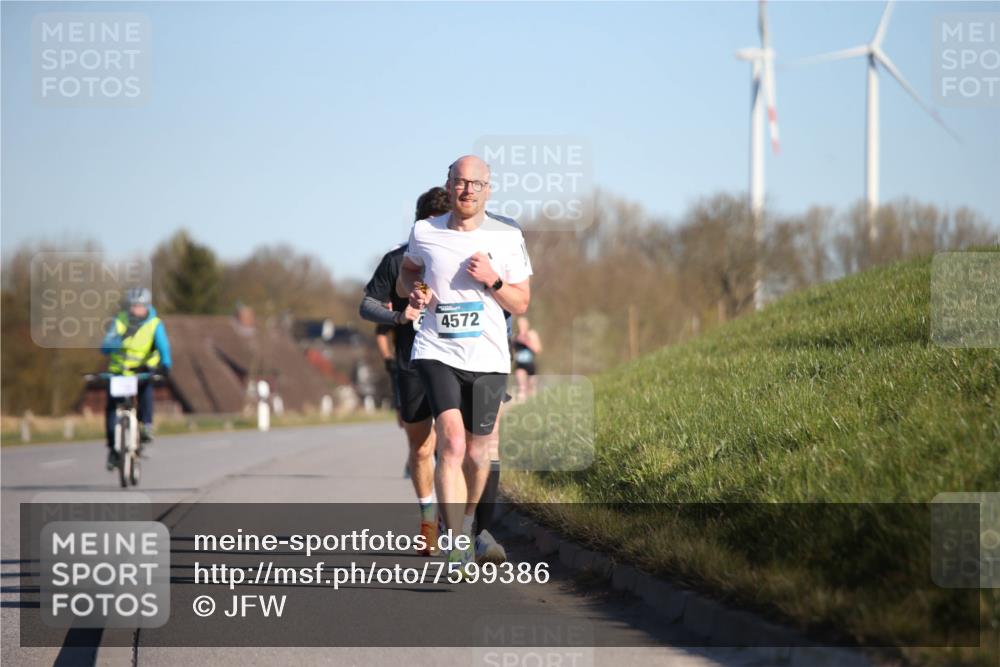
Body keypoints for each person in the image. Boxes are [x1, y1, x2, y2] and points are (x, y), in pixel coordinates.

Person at [397, 156, 532, 574]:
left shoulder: (507, 236)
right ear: (449, 184)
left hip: (489, 356)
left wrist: (492, 279)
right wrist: (416, 292)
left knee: (479, 450)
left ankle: (471, 526)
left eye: (476, 184)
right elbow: (407, 275)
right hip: (438, 350)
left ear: (488, 190)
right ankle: (455, 542)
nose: (467, 190)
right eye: (460, 182)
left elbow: (522, 301)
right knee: (452, 442)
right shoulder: (425, 231)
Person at [360, 187, 451, 555]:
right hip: (411, 363)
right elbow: (366, 306)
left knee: (452, 443)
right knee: (421, 447)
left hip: (454, 360)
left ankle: (452, 522)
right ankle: (429, 520)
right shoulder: (397, 260)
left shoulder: (459, 259)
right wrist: (399, 315)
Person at [99, 287, 172, 469]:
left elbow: (164, 347)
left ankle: (146, 425)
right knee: (111, 407)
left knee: (146, 390)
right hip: (119, 372)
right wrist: (115, 343)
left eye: (139, 305)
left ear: (147, 306)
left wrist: (165, 365)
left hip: (142, 371)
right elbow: (106, 345)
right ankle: (112, 448)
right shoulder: (120, 321)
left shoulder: (154, 324)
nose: (135, 309)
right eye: (133, 305)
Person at [512, 316, 542, 401]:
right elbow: (513, 351)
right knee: (521, 387)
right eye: (519, 324)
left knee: (531, 389)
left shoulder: (532, 334)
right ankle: (521, 402)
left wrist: (527, 342)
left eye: (522, 324)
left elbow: (538, 350)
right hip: (520, 364)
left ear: (527, 324)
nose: (521, 326)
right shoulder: (515, 336)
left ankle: (531, 406)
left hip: (531, 364)